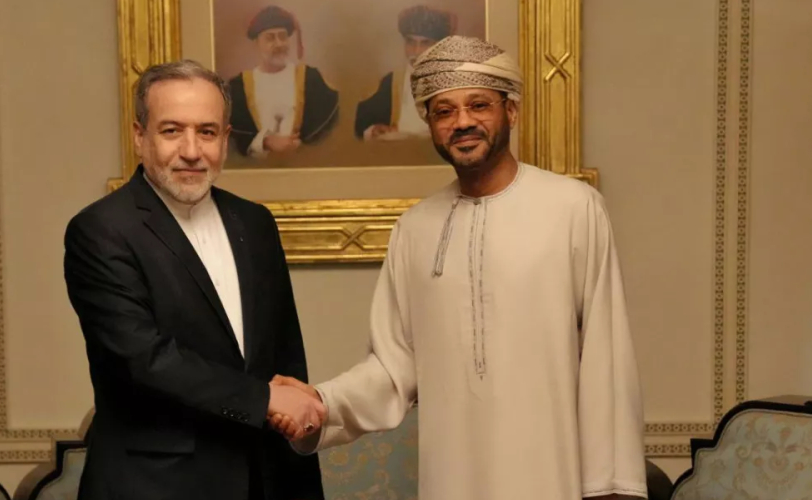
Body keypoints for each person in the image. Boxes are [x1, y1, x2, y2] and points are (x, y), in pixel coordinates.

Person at [272, 36, 648, 500]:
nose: (463, 122)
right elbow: (392, 369)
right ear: (430, 124)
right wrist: (321, 403)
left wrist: (610, 487)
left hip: (554, 476)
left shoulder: (574, 209)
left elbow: (607, 357)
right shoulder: (414, 229)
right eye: (444, 111)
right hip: (451, 478)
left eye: (479, 105)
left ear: (511, 111)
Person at [63, 59, 326, 500]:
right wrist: (264, 400)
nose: (191, 150)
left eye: (206, 132)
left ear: (225, 138)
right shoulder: (100, 230)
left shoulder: (255, 223)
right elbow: (142, 360)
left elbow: (285, 356)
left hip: (266, 479)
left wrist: (297, 430)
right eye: (172, 131)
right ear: (139, 136)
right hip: (154, 486)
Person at [228, 5, 339, 159]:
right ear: (256, 43)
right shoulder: (239, 87)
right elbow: (233, 135)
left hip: (304, 164)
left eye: (283, 36)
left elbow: (329, 125)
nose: (279, 44)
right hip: (256, 169)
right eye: (270, 38)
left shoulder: (311, 79)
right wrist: (265, 142)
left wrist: (302, 145)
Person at [354, 5, 455, 141]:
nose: (416, 51)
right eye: (410, 42)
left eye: (425, 43)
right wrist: (375, 130)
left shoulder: (455, 82)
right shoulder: (390, 82)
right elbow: (361, 123)